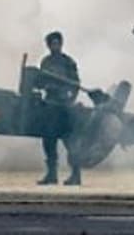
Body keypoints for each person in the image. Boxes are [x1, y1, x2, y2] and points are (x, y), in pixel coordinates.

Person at [37, 31, 82, 186]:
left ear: (61, 44)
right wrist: (45, 85)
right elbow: (40, 81)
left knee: (70, 142)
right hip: (50, 105)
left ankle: (76, 175)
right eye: (52, 43)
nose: (55, 46)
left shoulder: (68, 62)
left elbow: (75, 84)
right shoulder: (46, 62)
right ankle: (52, 174)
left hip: (64, 108)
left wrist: (70, 99)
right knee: (49, 141)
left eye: (57, 43)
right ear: (48, 45)